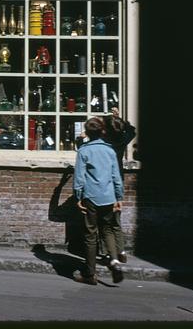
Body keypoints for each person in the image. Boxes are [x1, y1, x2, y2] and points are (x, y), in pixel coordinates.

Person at [73, 117, 125, 285]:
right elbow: (116, 176)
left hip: (91, 196)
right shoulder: (110, 151)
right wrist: (119, 197)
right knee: (108, 229)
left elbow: (79, 177)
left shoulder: (84, 150)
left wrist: (78, 196)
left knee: (90, 235)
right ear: (102, 131)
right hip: (108, 196)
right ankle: (115, 261)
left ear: (87, 133)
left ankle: (89, 274)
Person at [100, 108, 136, 266]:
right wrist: (118, 117)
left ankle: (108, 252)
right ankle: (121, 251)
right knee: (115, 219)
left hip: (103, 181)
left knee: (103, 220)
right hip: (117, 181)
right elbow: (132, 130)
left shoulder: (102, 142)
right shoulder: (121, 140)